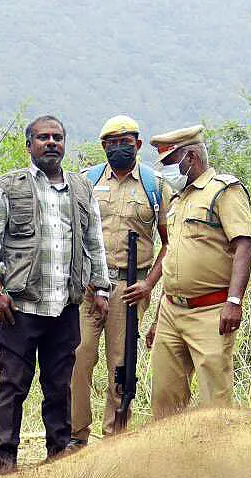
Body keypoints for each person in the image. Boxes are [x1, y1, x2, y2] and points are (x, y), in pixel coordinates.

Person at [0, 115, 112, 470]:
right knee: (13, 385)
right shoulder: (10, 186)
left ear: (64, 143)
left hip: (65, 306)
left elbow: (94, 242)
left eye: (57, 137)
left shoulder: (81, 188)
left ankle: (57, 458)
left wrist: (101, 288)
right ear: (29, 145)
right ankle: (5, 461)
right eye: (43, 137)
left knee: (59, 386)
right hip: (20, 307)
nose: (51, 143)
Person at [68, 115, 171, 447]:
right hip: (88, 289)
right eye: (111, 143)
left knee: (121, 365)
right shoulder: (86, 181)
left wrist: (149, 284)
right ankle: (76, 437)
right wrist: (84, 280)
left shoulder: (155, 186)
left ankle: (114, 440)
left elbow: (170, 243)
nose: (118, 148)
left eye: (125, 142)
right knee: (78, 358)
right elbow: (74, 234)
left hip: (129, 289)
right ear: (103, 147)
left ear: (137, 145)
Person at [146, 125, 251, 419]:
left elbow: (244, 246)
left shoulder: (224, 191)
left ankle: (216, 451)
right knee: (165, 400)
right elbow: (174, 260)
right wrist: (158, 317)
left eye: (170, 162)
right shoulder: (177, 199)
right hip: (171, 311)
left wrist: (234, 301)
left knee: (214, 402)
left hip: (211, 311)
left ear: (191, 157)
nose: (166, 171)